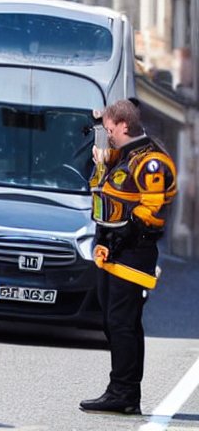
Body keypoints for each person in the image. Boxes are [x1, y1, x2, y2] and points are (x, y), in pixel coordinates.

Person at [80, 99, 177, 415]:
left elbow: (153, 210)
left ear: (124, 126)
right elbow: (101, 186)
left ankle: (124, 394)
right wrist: (100, 161)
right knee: (115, 322)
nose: (107, 135)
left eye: (110, 129)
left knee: (123, 324)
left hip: (132, 253)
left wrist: (125, 231)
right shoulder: (124, 156)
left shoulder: (151, 162)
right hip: (111, 251)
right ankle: (120, 391)